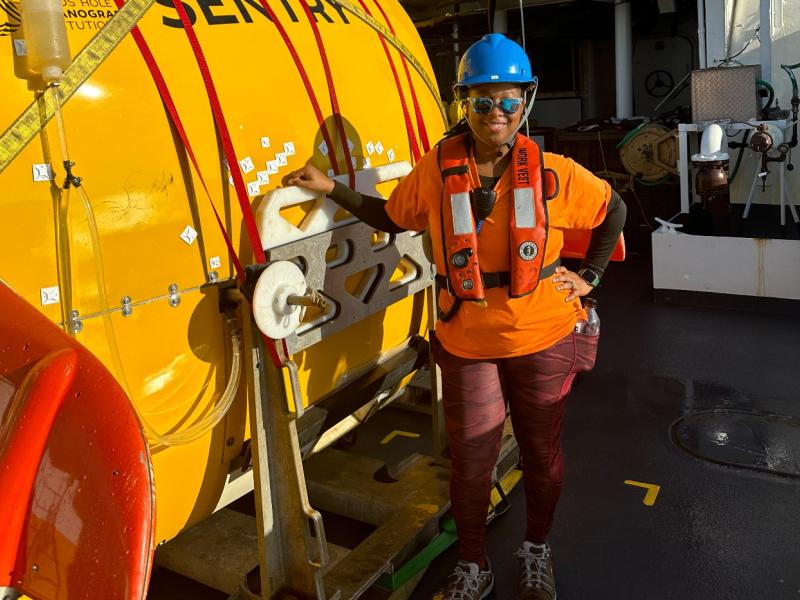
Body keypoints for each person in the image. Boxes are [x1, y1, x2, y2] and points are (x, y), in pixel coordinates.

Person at [287, 32, 626, 600]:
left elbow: (612, 209)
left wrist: (588, 276)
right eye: (482, 100)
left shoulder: (553, 173)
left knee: (542, 456)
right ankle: (474, 564)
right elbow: (391, 217)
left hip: (543, 334)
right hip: (468, 339)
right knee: (470, 463)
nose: (496, 113)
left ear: (527, 102)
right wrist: (331, 188)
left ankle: (535, 548)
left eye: (508, 100)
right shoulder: (435, 171)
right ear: (463, 104)